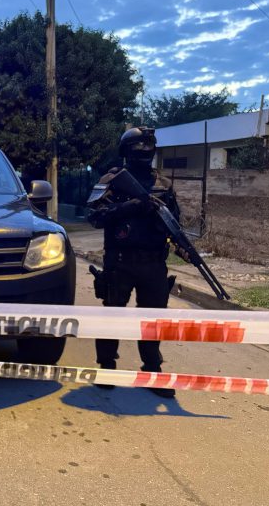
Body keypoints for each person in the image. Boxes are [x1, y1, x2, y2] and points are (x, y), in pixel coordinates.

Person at [86, 127, 180, 398]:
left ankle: (152, 369)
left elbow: (175, 222)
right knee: (112, 316)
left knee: (153, 321)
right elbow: (95, 216)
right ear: (126, 151)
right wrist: (132, 206)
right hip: (120, 262)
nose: (143, 152)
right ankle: (106, 366)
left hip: (154, 263)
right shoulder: (112, 180)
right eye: (138, 147)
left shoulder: (163, 184)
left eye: (147, 146)